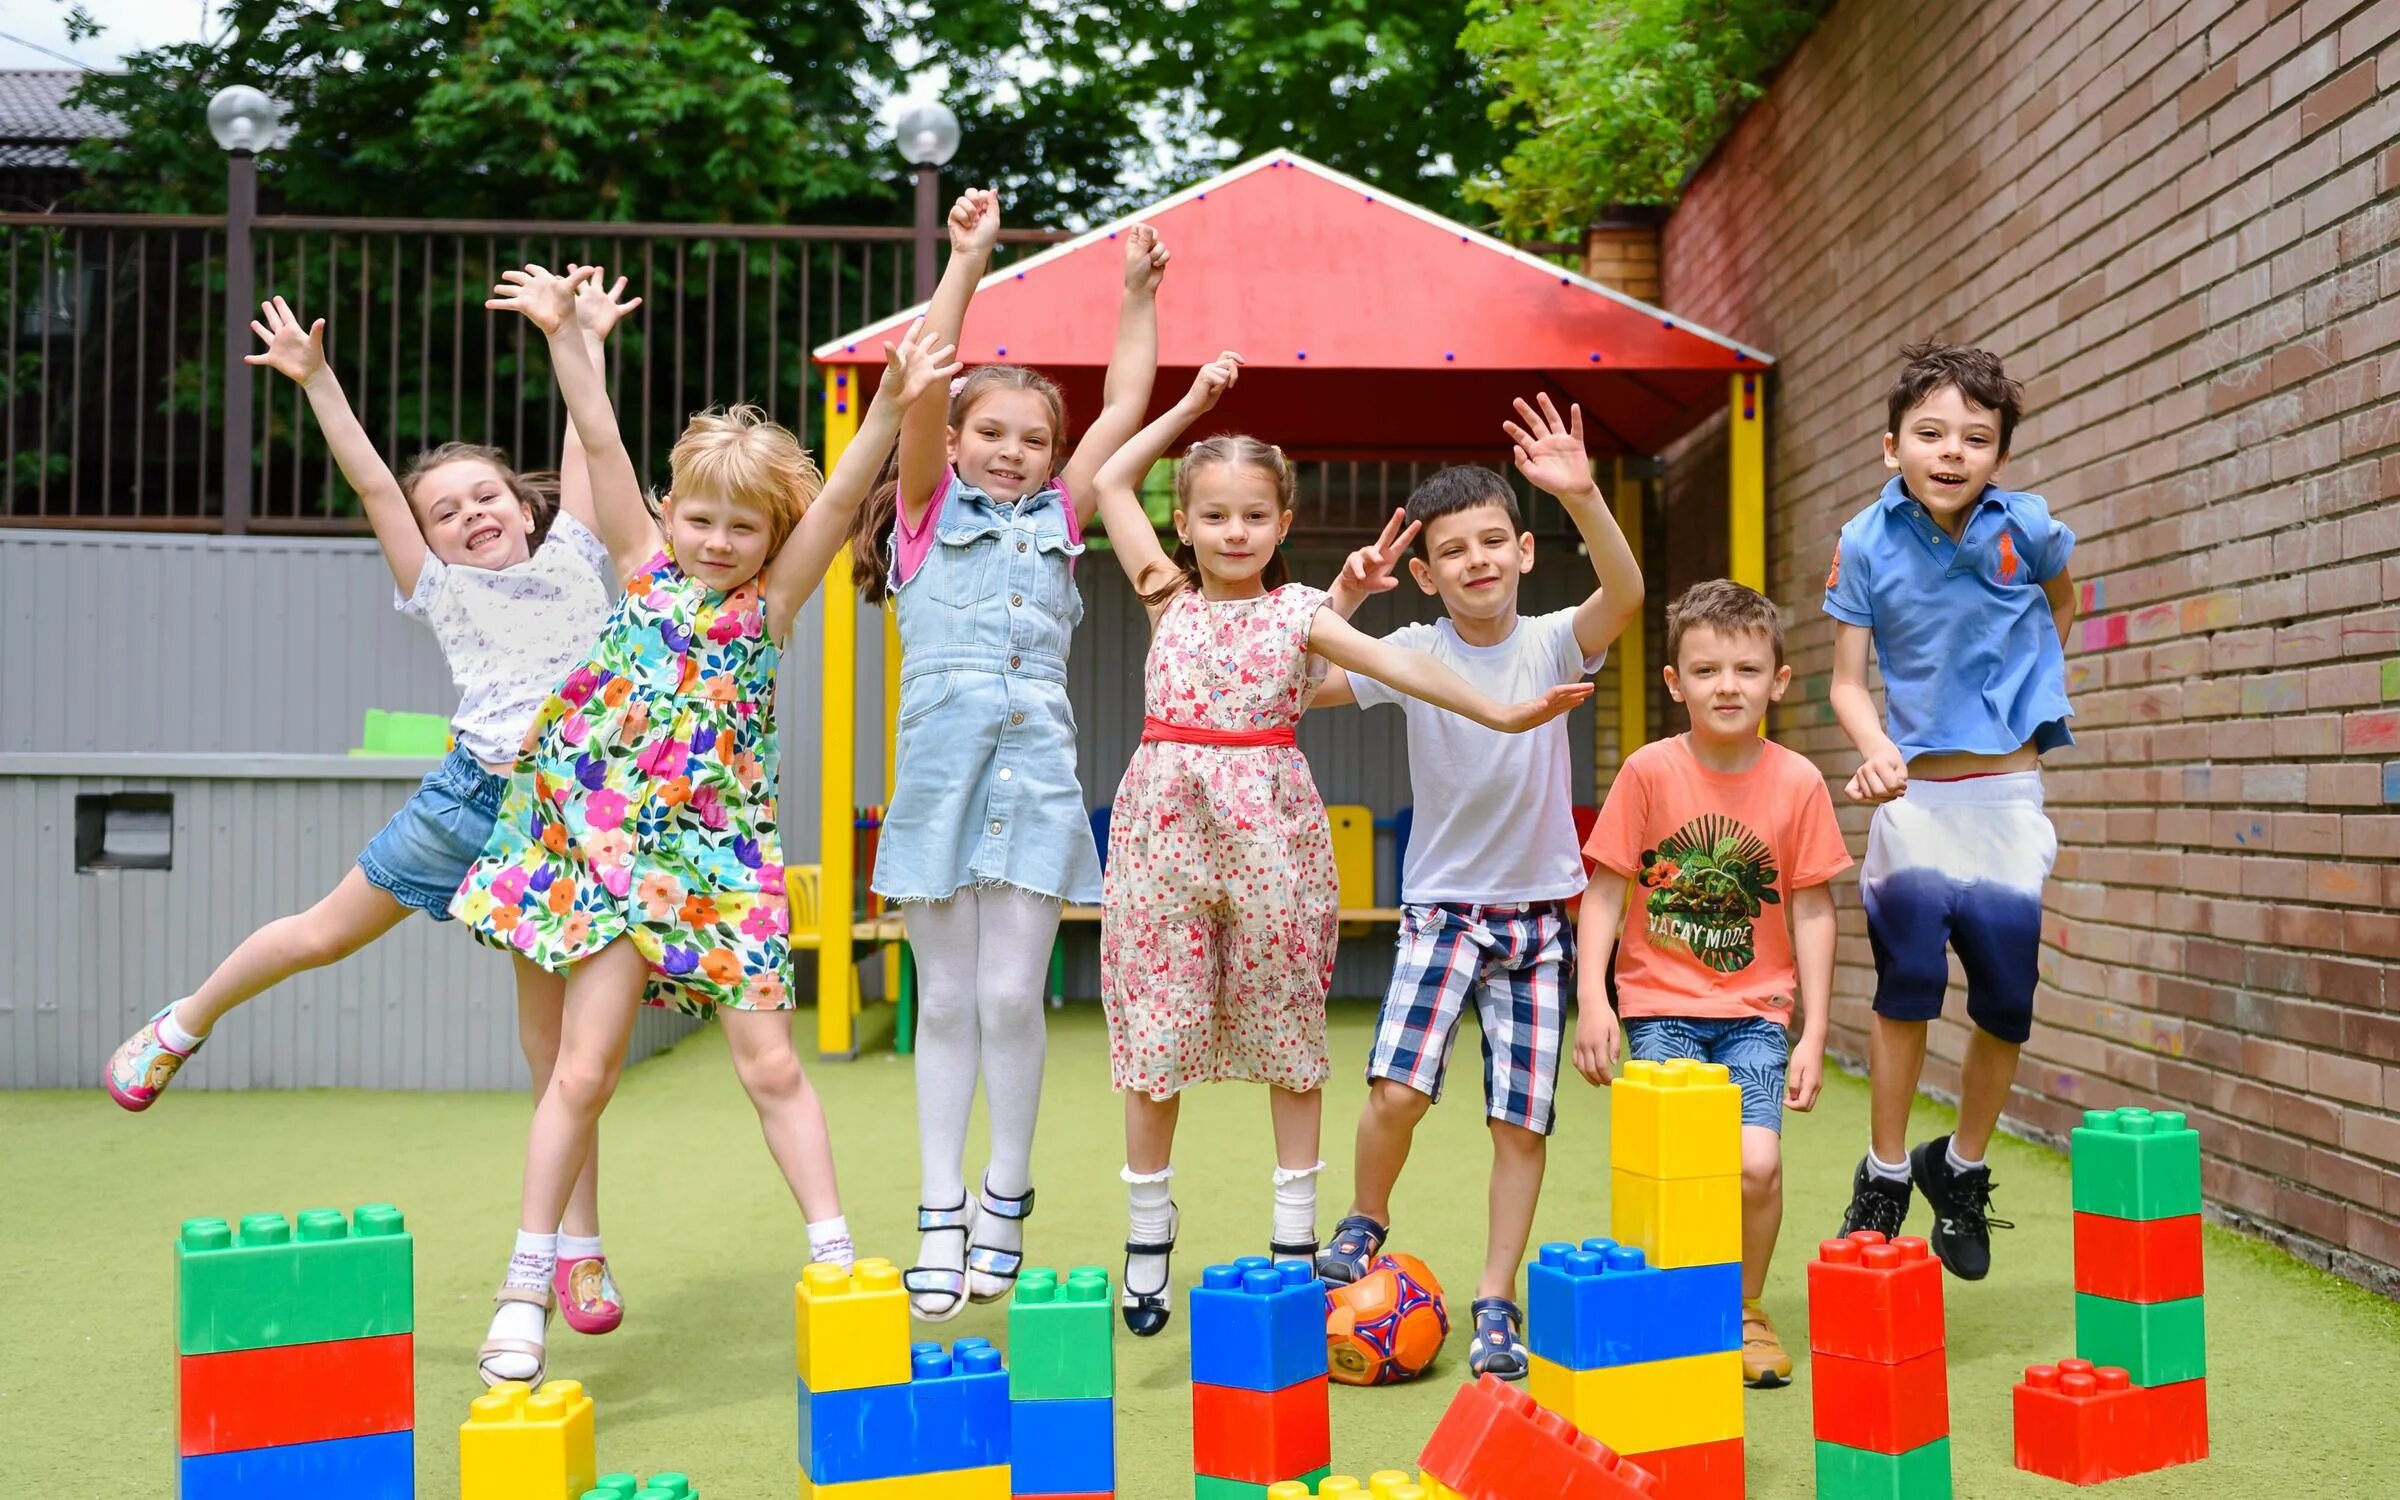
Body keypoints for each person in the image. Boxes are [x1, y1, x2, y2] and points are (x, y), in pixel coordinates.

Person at [104, 274, 639, 1335]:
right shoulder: (442, 588)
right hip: (467, 802)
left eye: (485, 496)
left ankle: (579, 1247)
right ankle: (182, 1021)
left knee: (558, 1058)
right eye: (447, 511)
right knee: (320, 933)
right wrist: (316, 381)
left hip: (567, 829)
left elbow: (594, 434)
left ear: (524, 505)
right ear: (430, 543)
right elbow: (375, 486)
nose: (469, 514)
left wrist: (582, 337)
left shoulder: (581, 550)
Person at [456, 258, 959, 1384]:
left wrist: (891, 402)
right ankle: (527, 1280)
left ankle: (833, 1256)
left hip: (721, 865)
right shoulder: (637, 567)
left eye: (744, 524)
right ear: (670, 515)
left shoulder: (769, 607)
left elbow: (839, 500)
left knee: (771, 1064)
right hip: (603, 852)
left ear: (771, 534)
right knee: (582, 1072)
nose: (719, 539)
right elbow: (601, 442)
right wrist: (565, 337)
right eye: (702, 517)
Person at [1088, 351, 1592, 1336]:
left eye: (1255, 515)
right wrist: (1189, 405)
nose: (1235, 531)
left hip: (1271, 827)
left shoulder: (1302, 612)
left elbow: (1408, 669)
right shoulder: (1162, 593)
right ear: (1182, 524)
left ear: (1285, 524)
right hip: (1163, 826)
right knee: (1155, 1030)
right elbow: (1108, 478)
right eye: (1214, 515)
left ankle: (1295, 1237)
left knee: (1287, 1028)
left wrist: (1508, 712)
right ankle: (1148, 1234)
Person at [847, 191, 1168, 1321]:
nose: (1017, 452)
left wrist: (1137, 295)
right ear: (957, 441)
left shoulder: (1064, 519)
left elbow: (1128, 399)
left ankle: (1003, 1198)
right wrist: (967, 258)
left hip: (1036, 780)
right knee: (941, 1004)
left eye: (1035, 438)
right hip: (940, 781)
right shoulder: (926, 510)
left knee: (1008, 996)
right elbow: (924, 379)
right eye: (997, 433)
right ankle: (937, 1210)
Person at [1310, 394, 1643, 1381]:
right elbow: (1298, 685)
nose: (1477, 561)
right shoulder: (1414, 650)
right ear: (1426, 572)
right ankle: (1368, 1216)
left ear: (1525, 552)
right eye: (1453, 551)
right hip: (1443, 913)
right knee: (1394, 1093)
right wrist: (1346, 597)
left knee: (1518, 1122)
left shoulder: (1551, 640)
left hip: (1540, 920)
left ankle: (1496, 1296)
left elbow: (1621, 594)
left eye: (1494, 541)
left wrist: (1583, 498)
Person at [1824, 340, 2076, 1280]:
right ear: (1892, 446)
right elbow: (1848, 681)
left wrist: (2028, 688)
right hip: (1917, 800)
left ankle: (1958, 1167)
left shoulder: (2030, 529)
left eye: (1976, 437)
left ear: (2000, 455)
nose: (1952, 451)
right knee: (1908, 989)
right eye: (1930, 433)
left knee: (2007, 1001)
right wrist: (1876, 748)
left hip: (2009, 797)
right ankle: (1888, 1171)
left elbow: (2062, 603)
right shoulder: (1862, 541)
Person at [1574, 580, 1849, 1386]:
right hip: (1660, 1008)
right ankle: (1671, 1307)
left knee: (1756, 1166)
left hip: (1756, 1014)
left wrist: (1817, 1032)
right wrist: (1596, 998)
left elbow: (1814, 912)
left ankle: (1745, 1307)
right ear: (1675, 682)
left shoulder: (1797, 782)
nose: (1727, 686)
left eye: (1745, 669)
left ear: (1778, 680)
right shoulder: (1648, 771)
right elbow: (1606, 891)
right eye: (1706, 670)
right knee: (1676, 1165)